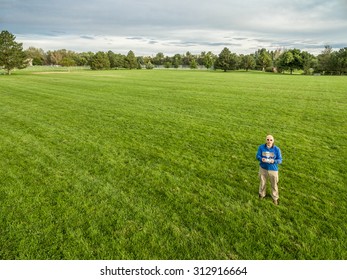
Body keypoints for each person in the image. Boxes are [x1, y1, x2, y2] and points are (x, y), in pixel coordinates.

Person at [256, 135, 282, 205]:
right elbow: (257, 156)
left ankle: (275, 198)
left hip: (273, 169)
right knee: (262, 182)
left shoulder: (277, 149)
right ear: (265, 140)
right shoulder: (261, 147)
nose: (269, 141)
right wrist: (261, 159)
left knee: (274, 184)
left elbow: (280, 160)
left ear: (273, 141)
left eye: (271, 140)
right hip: (263, 168)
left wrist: (274, 161)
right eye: (268, 139)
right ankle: (262, 194)